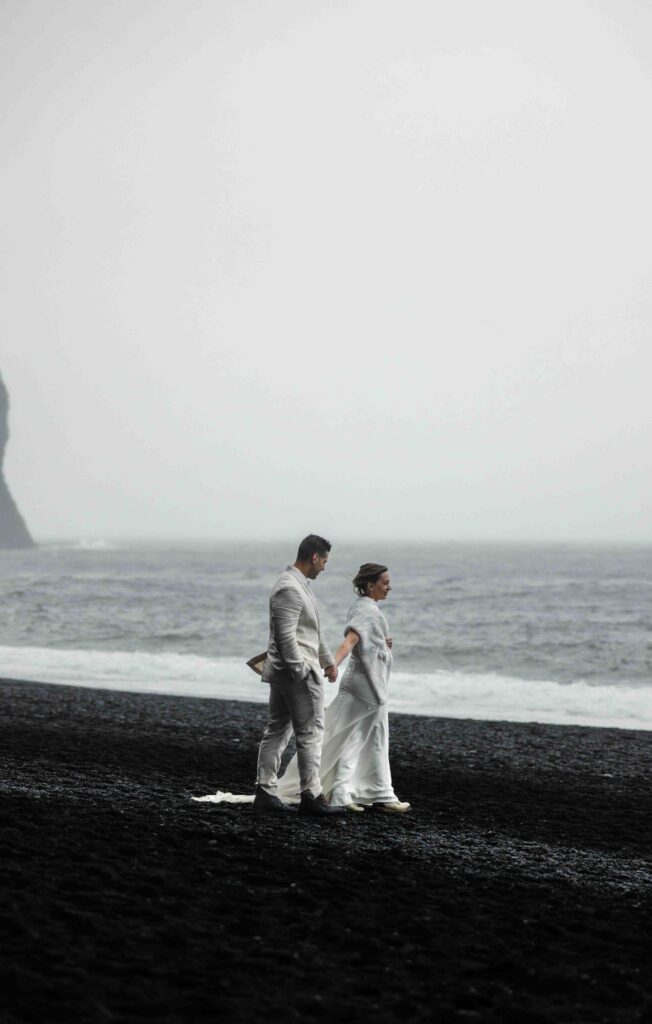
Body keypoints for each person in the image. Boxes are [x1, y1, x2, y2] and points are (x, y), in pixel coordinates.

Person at [277, 563, 410, 813]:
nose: (389, 586)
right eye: (385, 582)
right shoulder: (367, 611)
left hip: (370, 683)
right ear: (370, 585)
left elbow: (367, 641)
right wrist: (332, 665)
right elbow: (350, 641)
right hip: (365, 684)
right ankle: (341, 791)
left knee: (375, 735)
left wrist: (383, 643)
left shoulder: (365, 608)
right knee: (356, 736)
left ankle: (379, 792)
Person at [253, 534, 345, 817]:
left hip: (289, 671)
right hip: (294, 673)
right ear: (314, 557)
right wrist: (301, 672)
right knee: (311, 732)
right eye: (325, 561)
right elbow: (285, 637)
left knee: (278, 729)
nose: (325, 567)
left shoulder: (298, 585)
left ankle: (266, 792)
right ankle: (312, 796)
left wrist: (328, 662)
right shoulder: (288, 588)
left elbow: (313, 632)